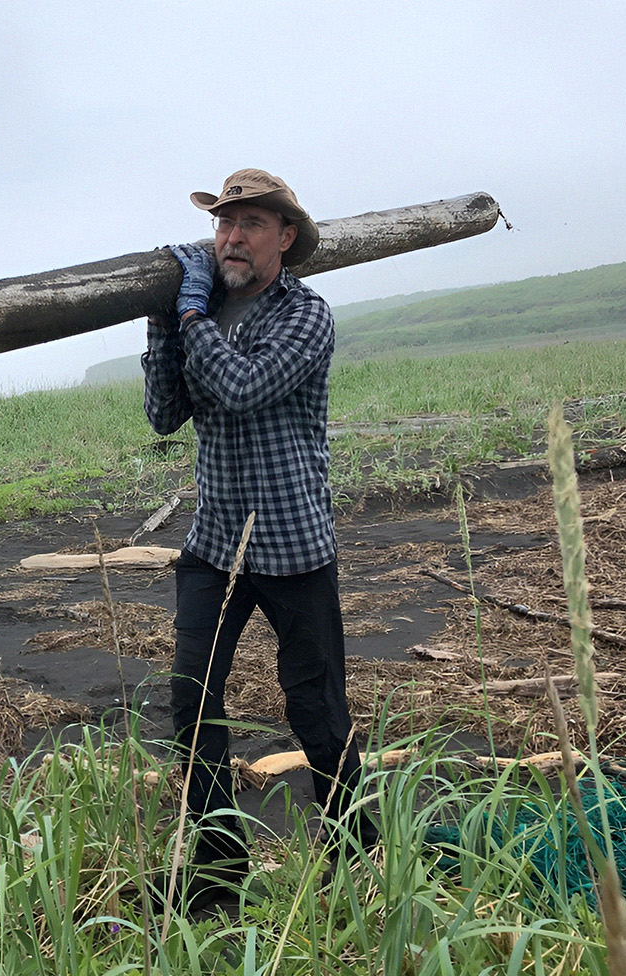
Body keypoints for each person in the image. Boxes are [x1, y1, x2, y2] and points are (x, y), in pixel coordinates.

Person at [142, 168, 372, 905]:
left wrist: (187, 313)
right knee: (191, 699)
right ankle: (217, 868)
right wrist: (161, 319)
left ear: (285, 237)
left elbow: (240, 391)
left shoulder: (306, 315)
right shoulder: (201, 313)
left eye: (249, 224)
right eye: (222, 224)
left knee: (315, 709)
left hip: (292, 545)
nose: (230, 237)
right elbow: (164, 413)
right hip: (215, 543)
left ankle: (360, 860)